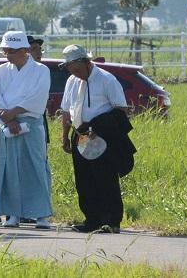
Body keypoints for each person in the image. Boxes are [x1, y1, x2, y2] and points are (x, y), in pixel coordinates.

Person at [59, 45, 135, 233]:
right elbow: (66, 112)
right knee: (83, 179)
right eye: (71, 70)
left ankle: (111, 221)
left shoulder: (107, 79)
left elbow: (120, 110)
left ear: (87, 62)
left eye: (77, 69)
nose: (75, 74)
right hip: (80, 135)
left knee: (105, 178)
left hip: (102, 136)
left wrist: (99, 127)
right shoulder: (71, 81)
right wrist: (65, 137)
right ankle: (91, 219)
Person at [0, 31, 53, 229]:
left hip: (30, 123)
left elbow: (38, 97)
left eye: (13, 51)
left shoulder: (41, 70)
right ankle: (13, 213)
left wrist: (14, 112)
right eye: (6, 50)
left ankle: (41, 214)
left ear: (25, 50)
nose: (9, 55)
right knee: (10, 169)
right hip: (7, 125)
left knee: (35, 166)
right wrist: (8, 120)